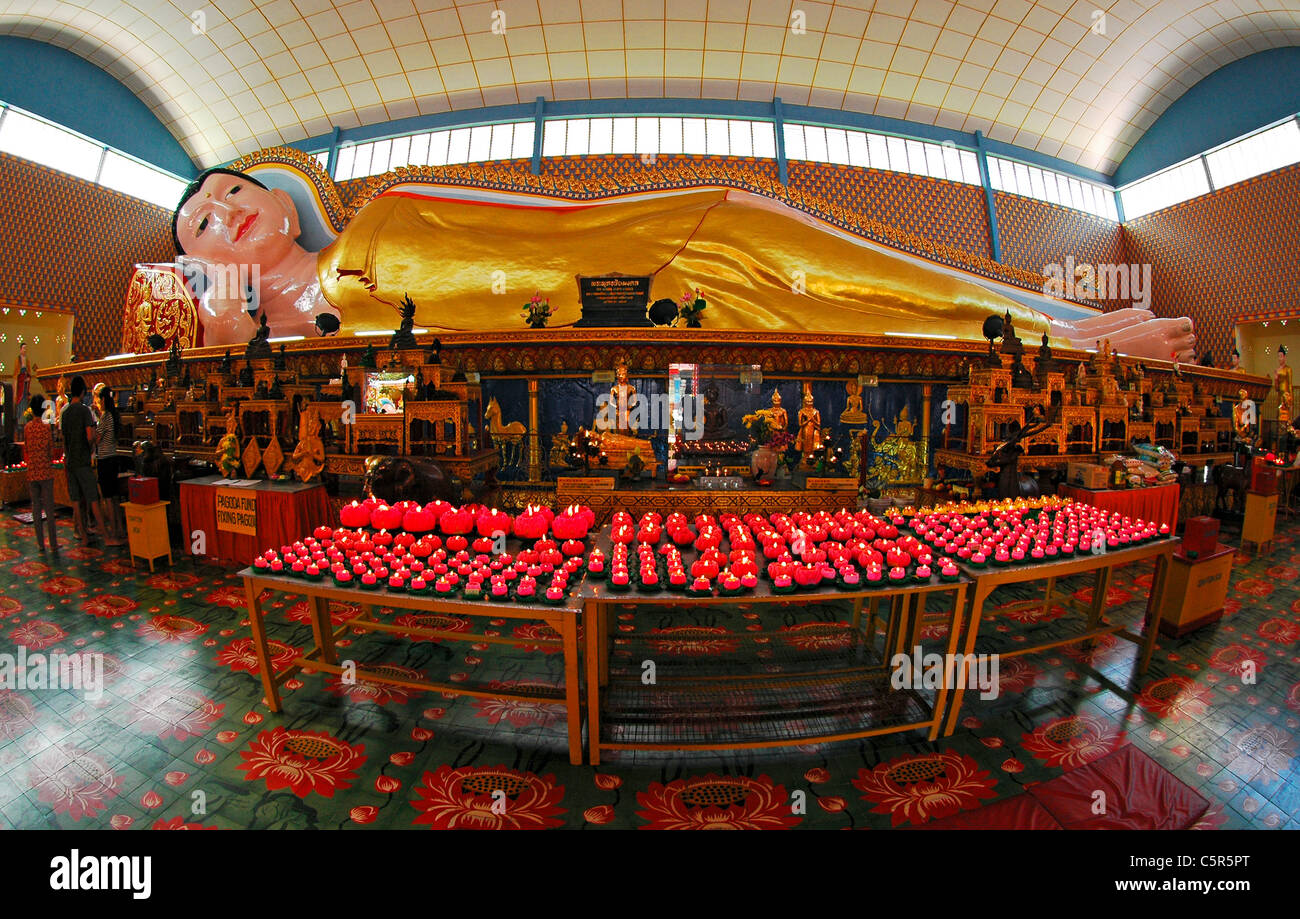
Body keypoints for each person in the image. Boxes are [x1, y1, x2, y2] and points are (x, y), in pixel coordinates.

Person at [173, 167, 1199, 362]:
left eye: (227, 191)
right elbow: (283, 360)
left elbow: (547, 217)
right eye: (203, 224)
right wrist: (225, 312)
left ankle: (1057, 321)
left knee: (838, 267)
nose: (225, 211)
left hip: (648, 248)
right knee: (834, 330)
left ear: (277, 195)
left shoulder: (383, 216)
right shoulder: (299, 331)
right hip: (637, 327)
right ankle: (1080, 348)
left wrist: (649, 222)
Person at [60, 376, 121, 546]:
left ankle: (83, 535)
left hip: (70, 460)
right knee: (93, 498)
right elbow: (89, 436)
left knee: (76, 500)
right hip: (83, 460)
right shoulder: (84, 411)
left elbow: (63, 439)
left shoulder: (65, 413)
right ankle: (107, 536)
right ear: (83, 391)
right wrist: (92, 441)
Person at [23, 394, 57, 553]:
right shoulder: (46, 427)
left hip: (32, 471)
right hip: (45, 472)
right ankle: (53, 543)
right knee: (49, 508)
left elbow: (28, 449)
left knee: (36, 508)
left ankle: (40, 544)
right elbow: (51, 451)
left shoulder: (27, 428)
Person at [94, 385, 124, 544]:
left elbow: (97, 439)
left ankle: (113, 533)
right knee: (114, 496)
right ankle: (119, 529)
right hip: (113, 457)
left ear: (103, 399)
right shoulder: (113, 415)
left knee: (108, 498)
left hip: (105, 460)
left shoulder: (105, 417)